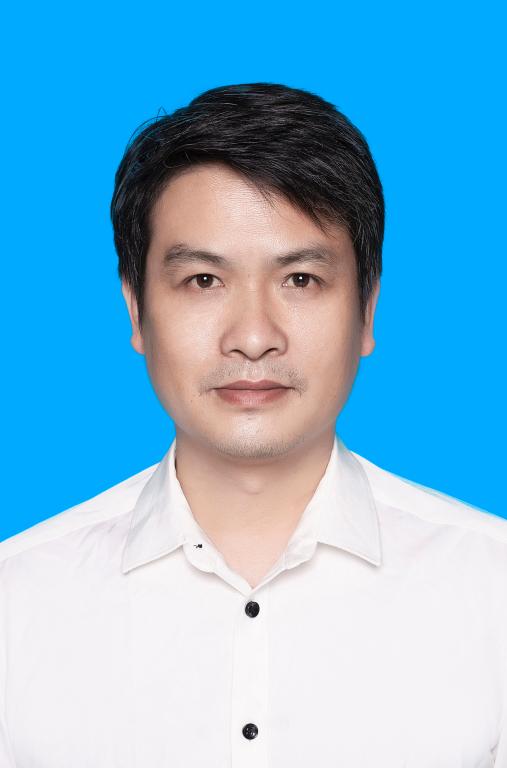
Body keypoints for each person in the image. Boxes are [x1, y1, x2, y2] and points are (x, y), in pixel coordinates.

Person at [0, 83, 506, 767]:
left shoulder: (492, 590)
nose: (253, 337)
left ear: (366, 309)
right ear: (136, 310)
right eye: (204, 281)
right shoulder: (16, 601)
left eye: (299, 280)